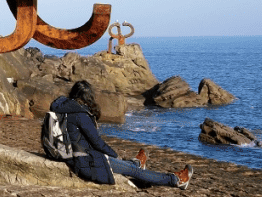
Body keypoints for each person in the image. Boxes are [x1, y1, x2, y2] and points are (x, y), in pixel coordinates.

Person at [48, 80, 193, 189]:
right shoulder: (80, 114)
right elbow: (97, 142)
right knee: (133, 171)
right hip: (85, 160)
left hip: (68, 153)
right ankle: (176, 180)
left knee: (130, 167)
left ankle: (136, 162)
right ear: (87, 97)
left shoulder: (62, 108)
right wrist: (114, 155)